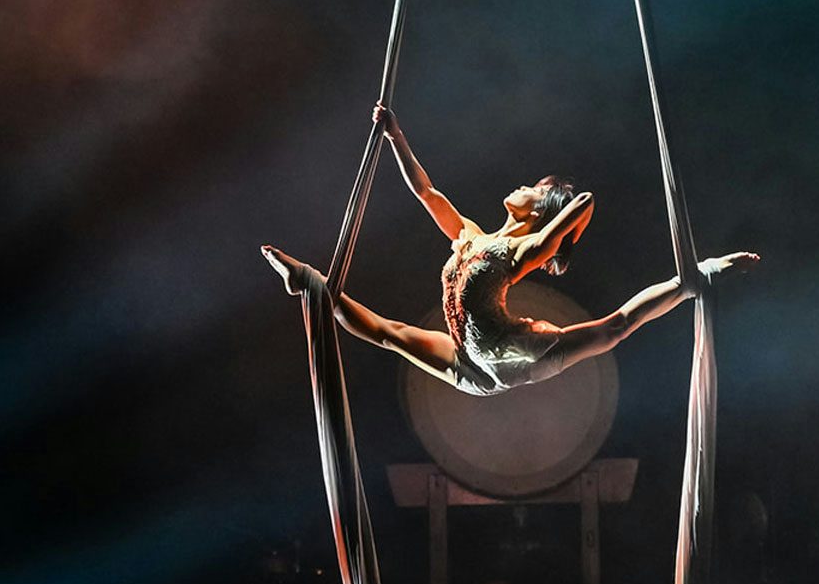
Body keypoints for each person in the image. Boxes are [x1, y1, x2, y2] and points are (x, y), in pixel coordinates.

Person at [263, 105, 759, 396]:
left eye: (531, 187)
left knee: (616, 326)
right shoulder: (472, 236)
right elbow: (427, 193)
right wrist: (394, 134)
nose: (519, 184)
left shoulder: (521, 249)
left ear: (540, 209)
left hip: (516, 354)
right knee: (389, 334)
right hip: (472, 361)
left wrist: (572, 212)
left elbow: (573, 215)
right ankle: (310, 284)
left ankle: (699, 275)